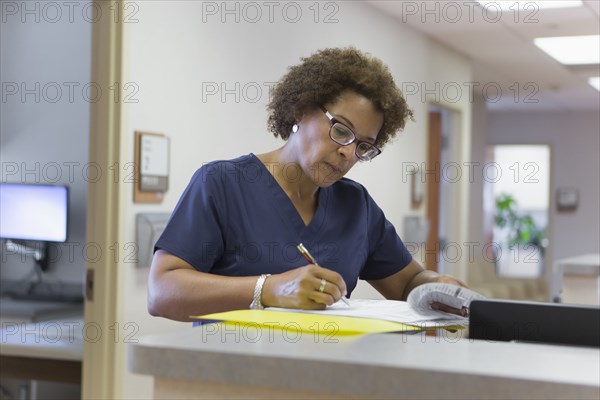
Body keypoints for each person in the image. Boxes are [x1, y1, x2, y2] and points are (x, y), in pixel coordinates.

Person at [148, 47, 467, 322]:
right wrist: (270, 289)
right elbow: (162, 291)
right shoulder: (222, 185)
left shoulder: (355, 206)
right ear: (303, 109)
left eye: (363, 147)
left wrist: (438, 287)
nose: (347, 152)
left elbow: (408, 280)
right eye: (342, 131)